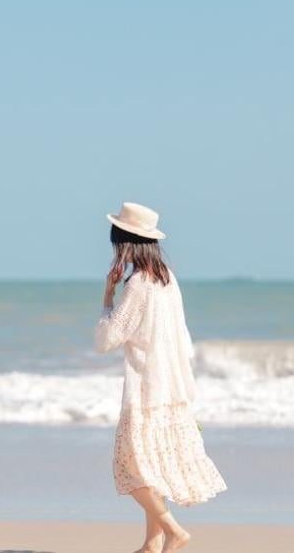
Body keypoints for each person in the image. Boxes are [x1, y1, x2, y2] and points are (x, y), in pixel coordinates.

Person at [95, 202, 227, 553]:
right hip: (172, 387)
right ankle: (152, 542)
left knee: (130, 466)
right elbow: (182, 337)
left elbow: (107, 339)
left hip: (145, 389)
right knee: (151, 465)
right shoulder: (167, 279)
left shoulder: (137, 285)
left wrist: (107, 296)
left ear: (125, 244)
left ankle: (172, 531)